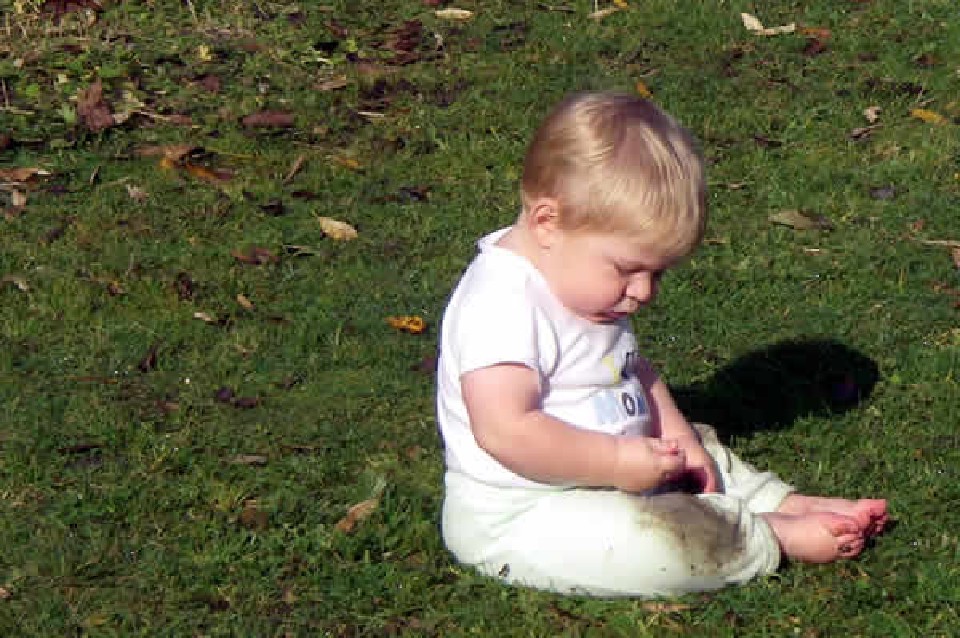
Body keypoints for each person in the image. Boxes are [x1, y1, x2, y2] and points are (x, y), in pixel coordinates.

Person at [435, 91, 888, 597]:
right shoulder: (500, 303)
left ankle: (780, 503)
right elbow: (506, 430)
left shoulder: (587, 285)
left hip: (625, 468)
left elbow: (633, 371)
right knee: (655, 544)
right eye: (628, 269)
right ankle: (767, 535)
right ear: (548, 223)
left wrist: (680, 440)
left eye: (658, 273)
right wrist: (614, 462)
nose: (645, 291)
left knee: (698, 449)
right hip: (527, 512)